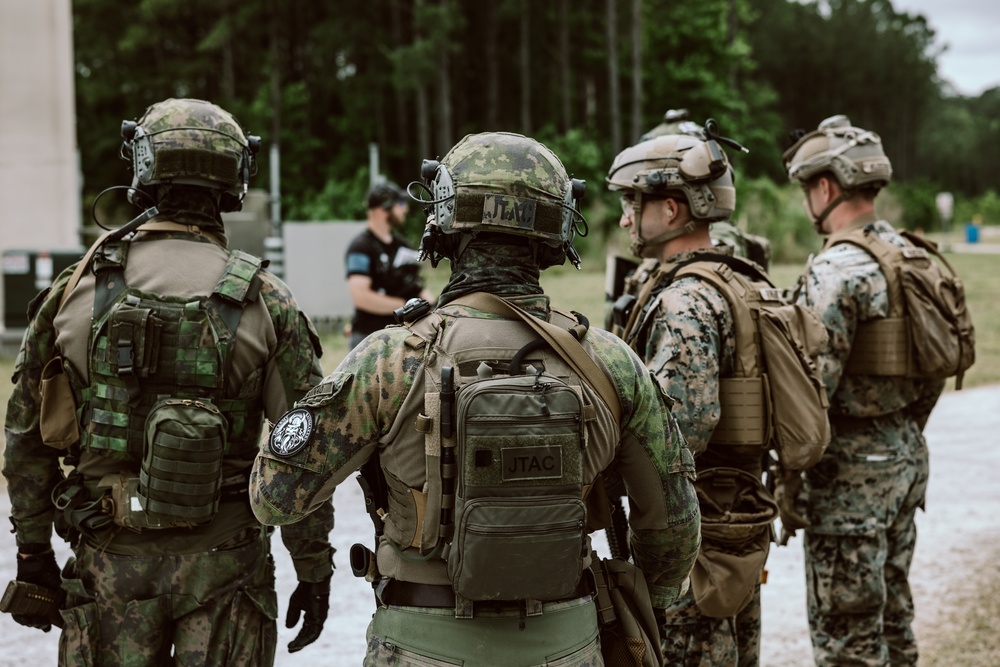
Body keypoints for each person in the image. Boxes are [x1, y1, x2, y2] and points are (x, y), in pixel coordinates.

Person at [250, 131, 701, 666]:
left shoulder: (390, 360)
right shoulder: (611, 363)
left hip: (419, 645)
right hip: (567, 643)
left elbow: (275, 497)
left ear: (444, 223)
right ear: (554, 232)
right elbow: (673, 526)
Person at [3, 98, 334, 665]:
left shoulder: (73, 289)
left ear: (142, 172)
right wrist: (312, 567)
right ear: (235, 181)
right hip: (227, 564)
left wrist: (33, 554)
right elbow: (303, 448)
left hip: (108, 558)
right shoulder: (266, 299)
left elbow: (26, 437)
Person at [607, 125, 817, 666]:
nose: (626, 216)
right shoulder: (742, 279)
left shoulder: (684, 301)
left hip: (695, 530)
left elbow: (684, 431)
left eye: (635, 201)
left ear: (673, 210)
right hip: (736, 511)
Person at [783, 114, 946, 666]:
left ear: (825, 188)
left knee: (847, 638)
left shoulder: (836, 271)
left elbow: (810, 396)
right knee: (894, 617)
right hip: (904, 460)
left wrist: (789, 475)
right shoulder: (915, 257)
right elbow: (937, 367)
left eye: (809, 189)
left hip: (848, 480)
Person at [345, 180, 434, 348]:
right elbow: (362, 298)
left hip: (401, 334)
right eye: (400, 203)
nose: (405, 208)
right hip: (369, 338)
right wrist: (407, 305)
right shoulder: (360, 247)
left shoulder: (402, 245)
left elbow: (416, 286)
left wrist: (431, 304)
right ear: (383, 208)